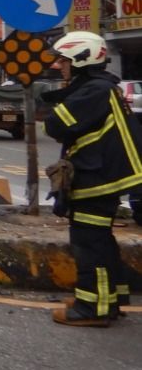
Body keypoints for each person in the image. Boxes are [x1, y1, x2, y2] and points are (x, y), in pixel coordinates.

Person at [41, 31, 142, 327]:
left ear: (82, 59)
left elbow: (56, 125)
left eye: (63, 60)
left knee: (89, 243)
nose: (58, 66)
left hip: (98, 178)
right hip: (104, 175)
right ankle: (108, 300)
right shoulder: (101, 87)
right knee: (101, 240)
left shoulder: (94, 91)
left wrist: (61, 96)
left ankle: (91, 308)